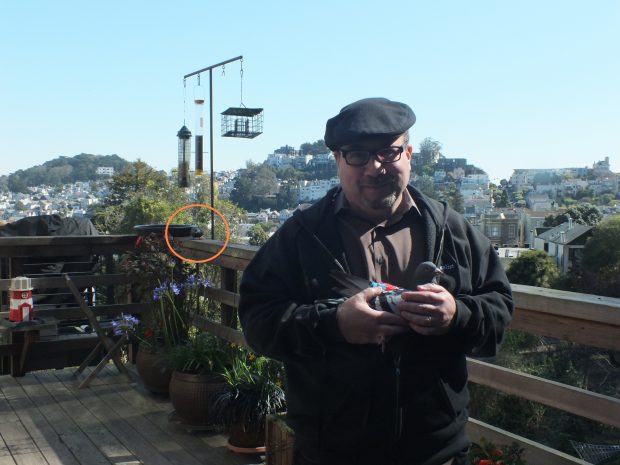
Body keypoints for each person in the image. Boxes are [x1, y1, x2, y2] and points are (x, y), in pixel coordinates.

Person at [239, 97, 514, 465]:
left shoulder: (453, 231)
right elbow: (259, 323)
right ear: (337, 160)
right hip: (332, 451)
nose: (374, 167)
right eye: (356, 155)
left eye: (388, 152)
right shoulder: (301, 236)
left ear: (410, 154)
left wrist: (455, 315)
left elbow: (499, 311)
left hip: (437, 451)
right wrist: (334, 324)